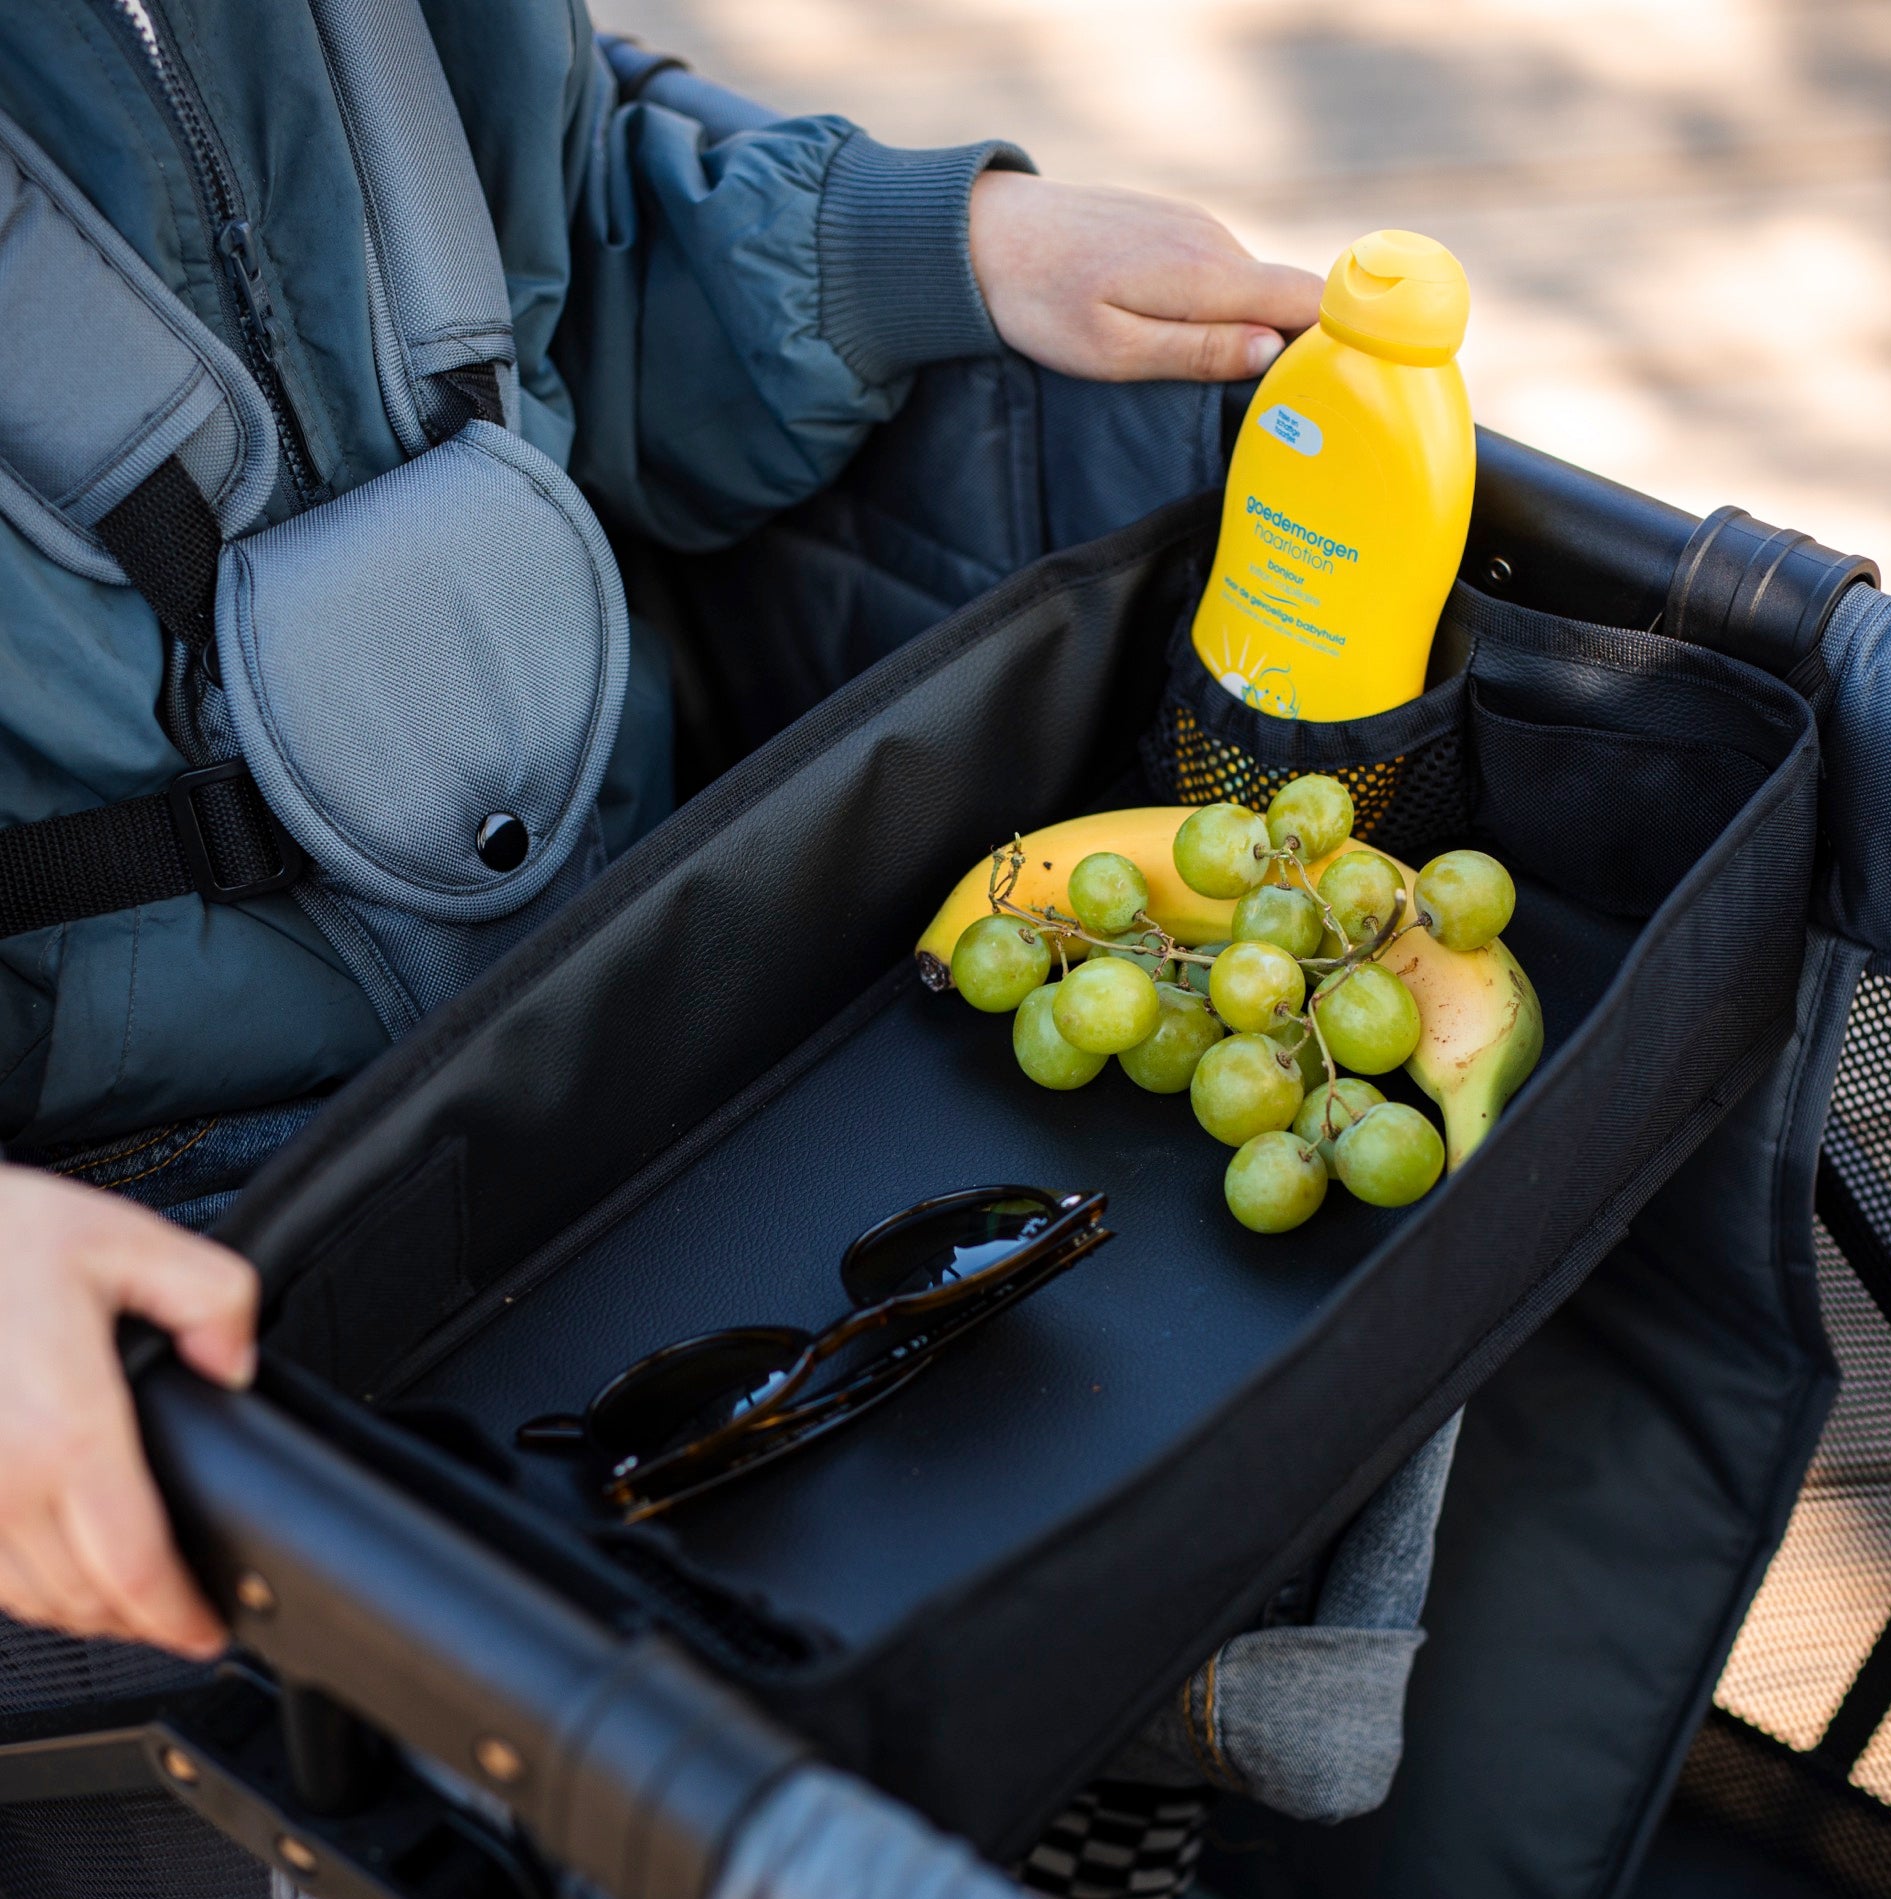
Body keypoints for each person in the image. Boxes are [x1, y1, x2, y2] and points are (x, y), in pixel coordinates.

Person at [0, 5, 1320, 1663]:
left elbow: (573, 262)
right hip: (173, 1184)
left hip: (646, 965)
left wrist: (925, 253)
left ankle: (1198, 1755)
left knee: (1242, 1323)